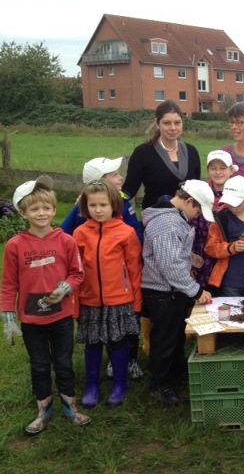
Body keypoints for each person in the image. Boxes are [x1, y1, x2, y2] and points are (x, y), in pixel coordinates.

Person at [1, 176, 90, 434]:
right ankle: (44, 409)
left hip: (61, 316)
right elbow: (8, 284)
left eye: (47, 208)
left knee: (64, 363)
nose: (42, 213)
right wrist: (7, 316)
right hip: (31, 320)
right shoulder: (15, 245)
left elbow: (77, 273)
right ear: (23, 212)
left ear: (54, 209)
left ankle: (70, 406)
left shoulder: (66, 241)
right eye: (35, 209)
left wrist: (65, 287)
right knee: (39, 365)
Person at [61, 156, 145, 381]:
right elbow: (64, 234)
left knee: (125, 325)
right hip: (92, 287)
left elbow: (134, 231)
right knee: (98, 330)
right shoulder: (84, 210)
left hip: (122, 278)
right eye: (114, 175)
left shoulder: (123, 200)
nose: (120, 178)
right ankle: (106, 367)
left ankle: (130, 360)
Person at [141, 180, 214, 406]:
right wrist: (196, 291)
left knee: (175, 336)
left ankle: (175, 374)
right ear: (189, 201)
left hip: (172, 291)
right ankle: (160, 384)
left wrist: (190, 258)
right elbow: (170, 266)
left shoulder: (174, 220)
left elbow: (170, 252)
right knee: (164, 339)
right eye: (198, 209)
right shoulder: (168, 224)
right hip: (163, 292)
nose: (198, 215)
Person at [72, 180, 143, 409]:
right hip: (89, 300)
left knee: (118, 341)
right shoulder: (80, 234)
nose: (98, 209)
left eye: (103, 204)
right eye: (92, 204)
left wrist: (136, 301)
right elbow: (74, 271)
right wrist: (75, 304)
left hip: (119, 300)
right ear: (85, 206)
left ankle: (120, 385)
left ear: (114, 205)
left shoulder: (127, 233)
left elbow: (134, 269)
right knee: (92, 343)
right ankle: (92, 386)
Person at [122, 100, 201, 209]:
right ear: (157, 123)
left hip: (186, 221)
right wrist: (106, 198)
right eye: (167, 123)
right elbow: (129, 190)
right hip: (155, 219)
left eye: (177, 123)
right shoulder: (143, 153)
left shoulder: (192, 151)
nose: (173, 128)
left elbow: (197, 189)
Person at [190, 150, 238, 292]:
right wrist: (192, 259)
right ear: (208, 171)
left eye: (222, 168)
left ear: (231, 171)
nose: (218, 172)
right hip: (204, 255)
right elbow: (192, 230)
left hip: (230, 256)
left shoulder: (238, 195)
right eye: (213, 168)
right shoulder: (200, 194)